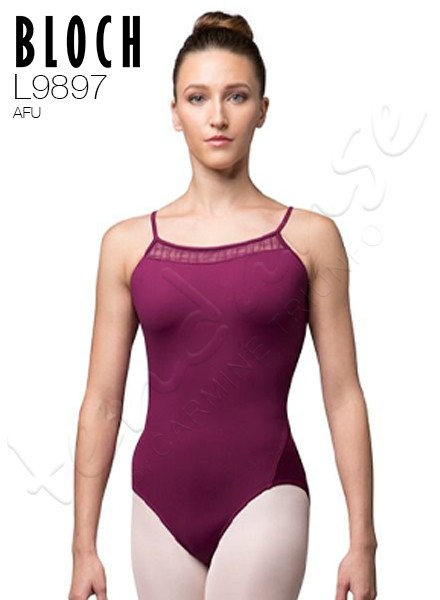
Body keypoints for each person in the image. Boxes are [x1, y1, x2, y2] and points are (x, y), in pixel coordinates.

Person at [69, 10, 378, 600]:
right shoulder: (126, 246)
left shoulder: (310, 239)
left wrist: (362, 542)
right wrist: (83, 546)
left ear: (262, 109)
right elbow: (102, 403)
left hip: (265, 495)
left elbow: (343, 395)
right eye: (198, 97)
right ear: (174, 112)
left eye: (236, 96)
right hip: (156, 504)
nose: (217, 116)